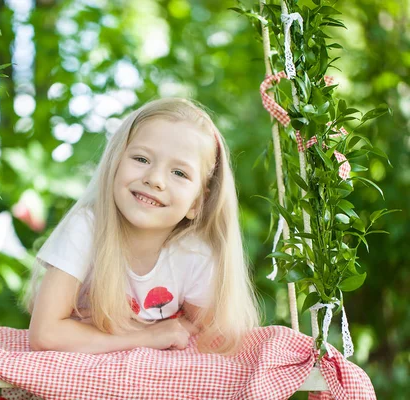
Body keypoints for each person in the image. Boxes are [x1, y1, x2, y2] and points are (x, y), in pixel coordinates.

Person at [25, 98, 259, 355]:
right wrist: (145, 336)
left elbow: (211, 335)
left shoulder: (194, 255)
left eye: (179, 173)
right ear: (115, 164)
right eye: (141, 159)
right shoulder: (86, 229)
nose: (155, 179)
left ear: (197, 202)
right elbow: (45, 335)